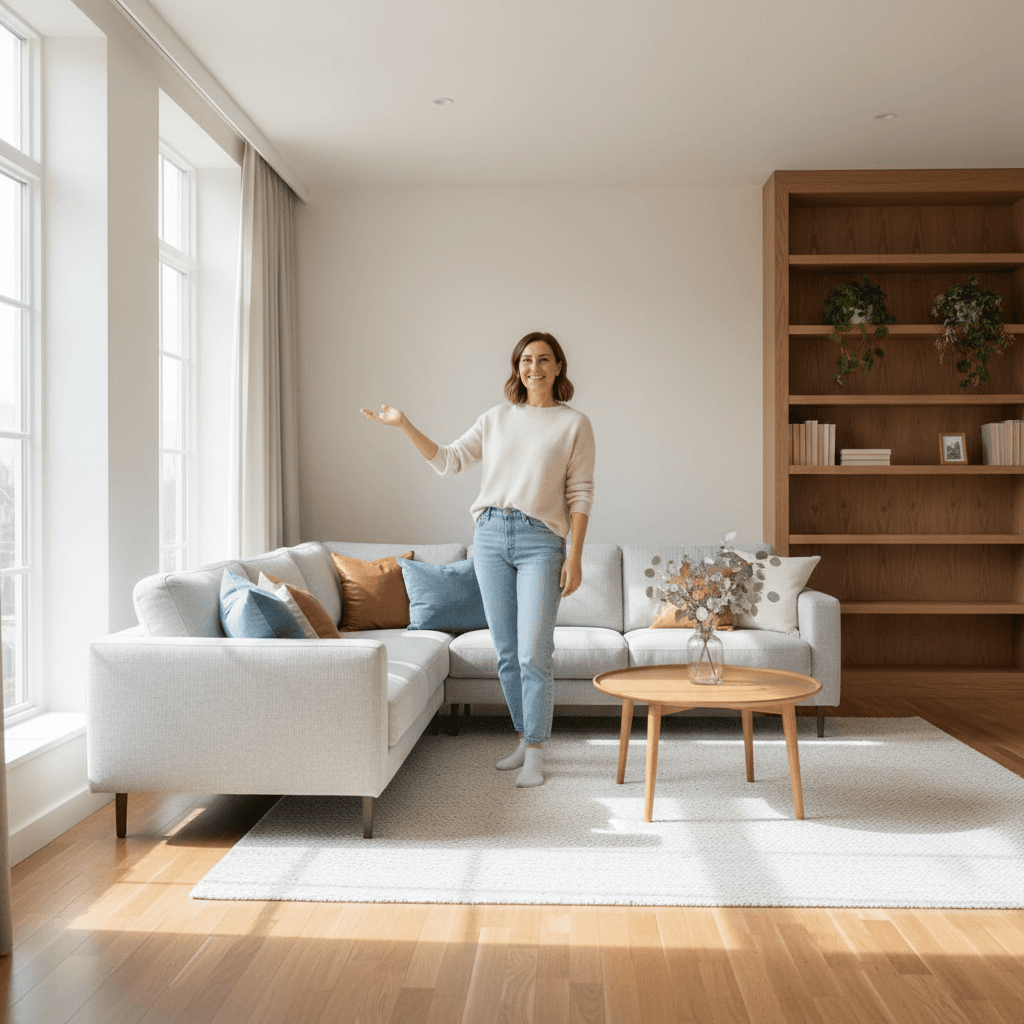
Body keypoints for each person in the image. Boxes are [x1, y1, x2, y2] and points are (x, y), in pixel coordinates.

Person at [360, 331, 595, 787]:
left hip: (541, 541)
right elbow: (448, 461)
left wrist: (576, 556)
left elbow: (581, 493)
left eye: (544, 360)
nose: (535, 368)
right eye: (526, 360)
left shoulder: (574, 424)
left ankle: (536, 752)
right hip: (489, 536)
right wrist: (405, 425)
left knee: (533, 652)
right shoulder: (496, 419)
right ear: (517, 367)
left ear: (559, 367)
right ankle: (524, 737)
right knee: (506, 652)